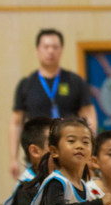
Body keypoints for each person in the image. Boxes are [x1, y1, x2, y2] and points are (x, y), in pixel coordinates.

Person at [10, 28, 97, 179]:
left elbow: (89, 116)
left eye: (55, 47)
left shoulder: (75, 81)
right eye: (46, 47)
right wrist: (13, 158)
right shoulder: (26, 84)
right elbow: (16, 123)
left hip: (70, 153)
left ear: (61, 50)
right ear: (37, 50)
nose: (51, 51)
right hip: (38, 155)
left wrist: (89, 149)